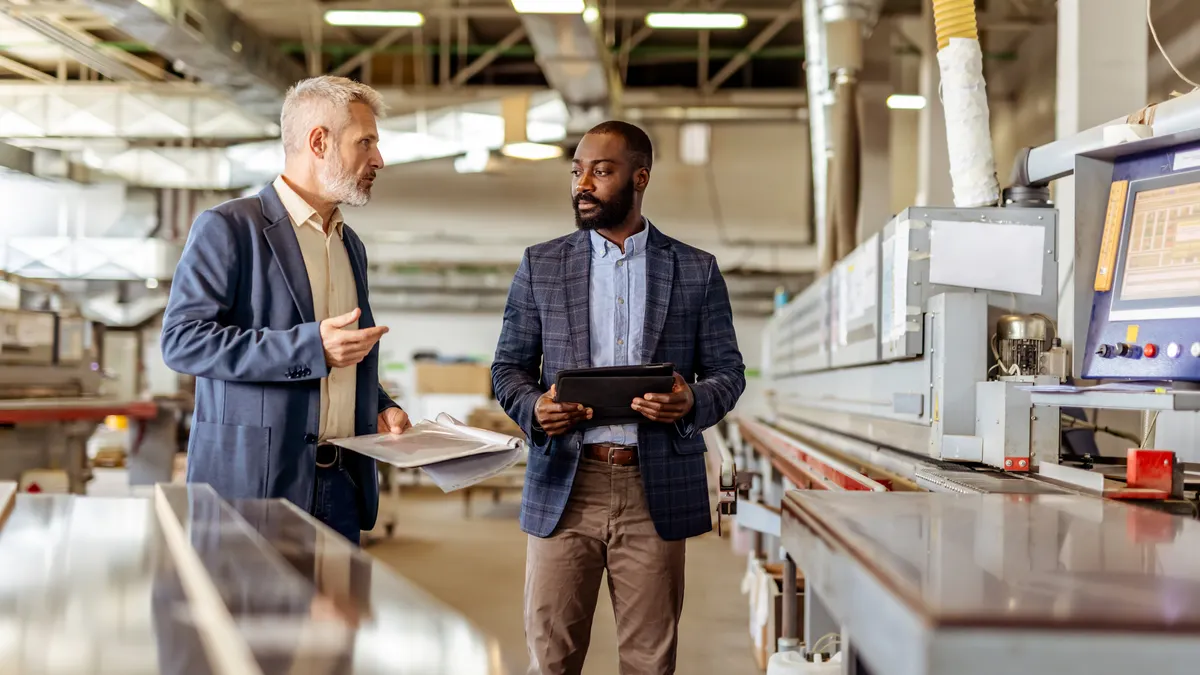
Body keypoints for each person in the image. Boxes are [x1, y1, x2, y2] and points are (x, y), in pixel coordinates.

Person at [491, 120, 746, 674]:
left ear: (640, 178)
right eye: (577, 171)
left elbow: (728, 372)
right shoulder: (542, 264)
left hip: (652, 489)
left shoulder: (695, 271)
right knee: (551, 660)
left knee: (649, 663)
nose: (583, 183)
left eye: (601, 172)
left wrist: (690, 404)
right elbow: (507, 368)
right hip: (566, 483)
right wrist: (535, 407)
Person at [161, 76, 410, 544]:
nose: (378, 159)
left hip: (341, 484)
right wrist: (310, 345)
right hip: (256, 486)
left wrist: (378, 406)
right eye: (366, 143)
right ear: (320, 142)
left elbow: (340, 353)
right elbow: (182, 341)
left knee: (338, 619)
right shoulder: (229, 228)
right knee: (255, 618)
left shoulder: (347, 242)